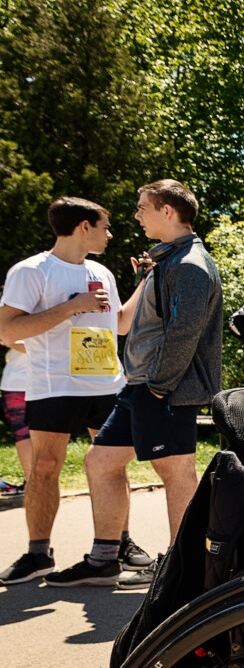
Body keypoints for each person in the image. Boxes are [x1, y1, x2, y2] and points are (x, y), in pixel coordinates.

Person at [55, 180, 222, 589]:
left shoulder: (190, 265)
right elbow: (138, 323)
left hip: (163, 389)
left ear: (168, 211)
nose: (136, 214)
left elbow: (185, 332)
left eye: (143, 207)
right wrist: (145, 280)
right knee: (100, 461)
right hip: (141, 386)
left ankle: (183, 567)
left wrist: (160, 387)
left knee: (177, 472)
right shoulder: (165, 261)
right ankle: (104, 559)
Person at [0, 198, 148, 585]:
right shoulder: (31, 270)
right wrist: (72, 307)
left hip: (107, 384)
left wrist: (145, 282)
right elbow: (8, 331)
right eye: (105, 226)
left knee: (111, 466)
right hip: (54, 385)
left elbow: (118, 325)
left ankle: (118, 546)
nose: (110, 234)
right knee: (45, 467)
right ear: (84, 226)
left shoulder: (102, 271)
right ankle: (37, 555)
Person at [1, 338, 30, 491]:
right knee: (25, 435)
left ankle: (35, 485)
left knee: (25, 435)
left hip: (20, 382)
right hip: (20, 382)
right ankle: (35, 485)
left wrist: (7, 340)